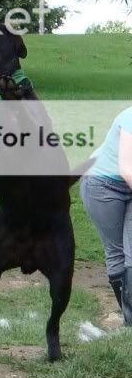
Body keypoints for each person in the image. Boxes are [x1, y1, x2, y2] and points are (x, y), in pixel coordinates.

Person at [81, 107, 132, 325]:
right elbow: (127, 169)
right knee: (117, 253)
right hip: (102, 184)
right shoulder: (129, 118)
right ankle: (130, 322)